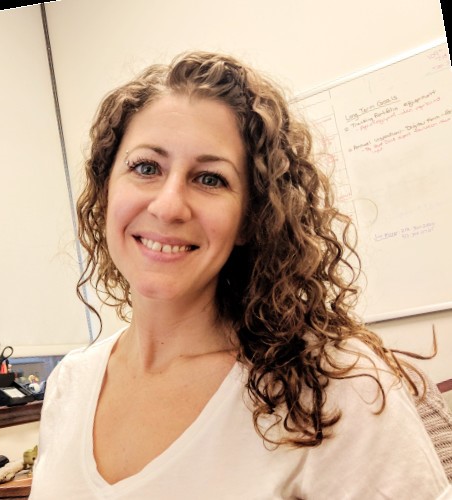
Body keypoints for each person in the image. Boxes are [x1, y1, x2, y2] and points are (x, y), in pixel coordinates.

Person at [29, 51, 451, 499]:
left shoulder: (334, 386)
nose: (169, 205)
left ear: (253, 217)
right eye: (146, 167)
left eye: (210, 179)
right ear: (106, 187)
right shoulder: (69, 384)